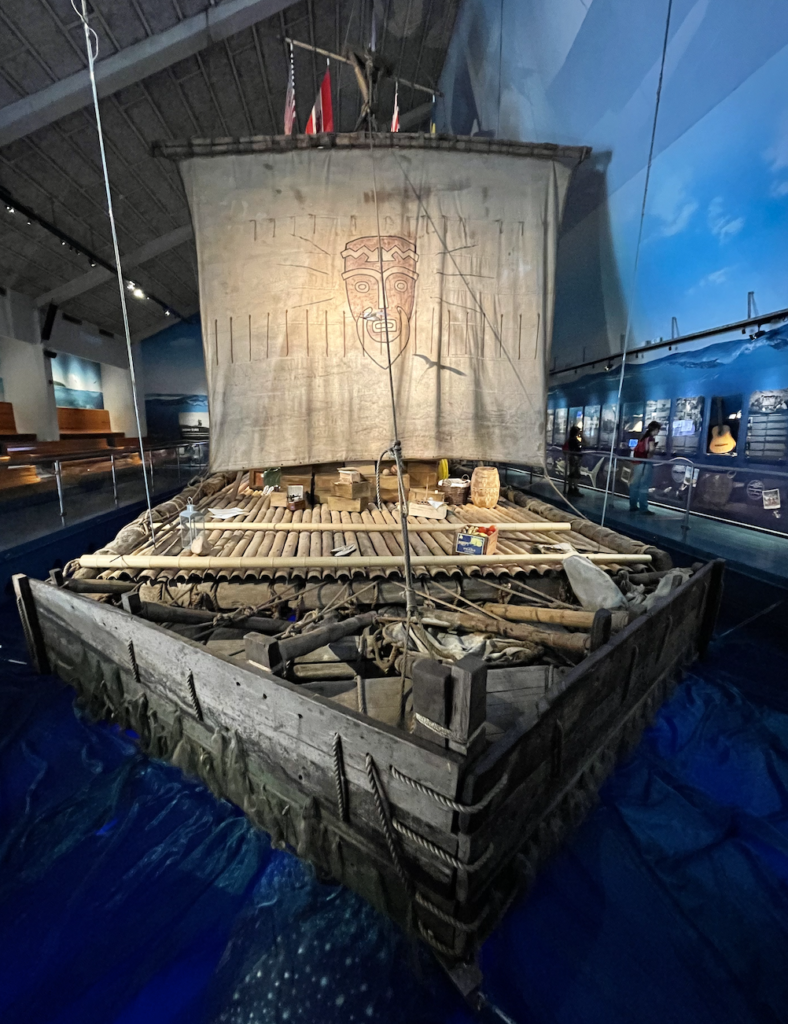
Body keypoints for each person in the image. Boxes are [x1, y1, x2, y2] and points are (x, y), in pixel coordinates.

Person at [629, 420, 661, 514]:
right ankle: (643, 508)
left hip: (637, 463)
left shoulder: (643, 437)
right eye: (658, 430)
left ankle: (633, 505)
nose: (658, 432)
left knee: (635, 485)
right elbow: (650, 449)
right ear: (655, 429)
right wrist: (654, 449)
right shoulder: (651, 439)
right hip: (645, 463)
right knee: (644, 486)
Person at [565, 424, 583, 497]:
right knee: (575, 474)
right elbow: (585, 443)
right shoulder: (574, 440)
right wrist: (582, 436)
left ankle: (571, 488)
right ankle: (574, 488)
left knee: (573, 473)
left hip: (573, 457)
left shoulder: (571, 439)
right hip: (575, 458)